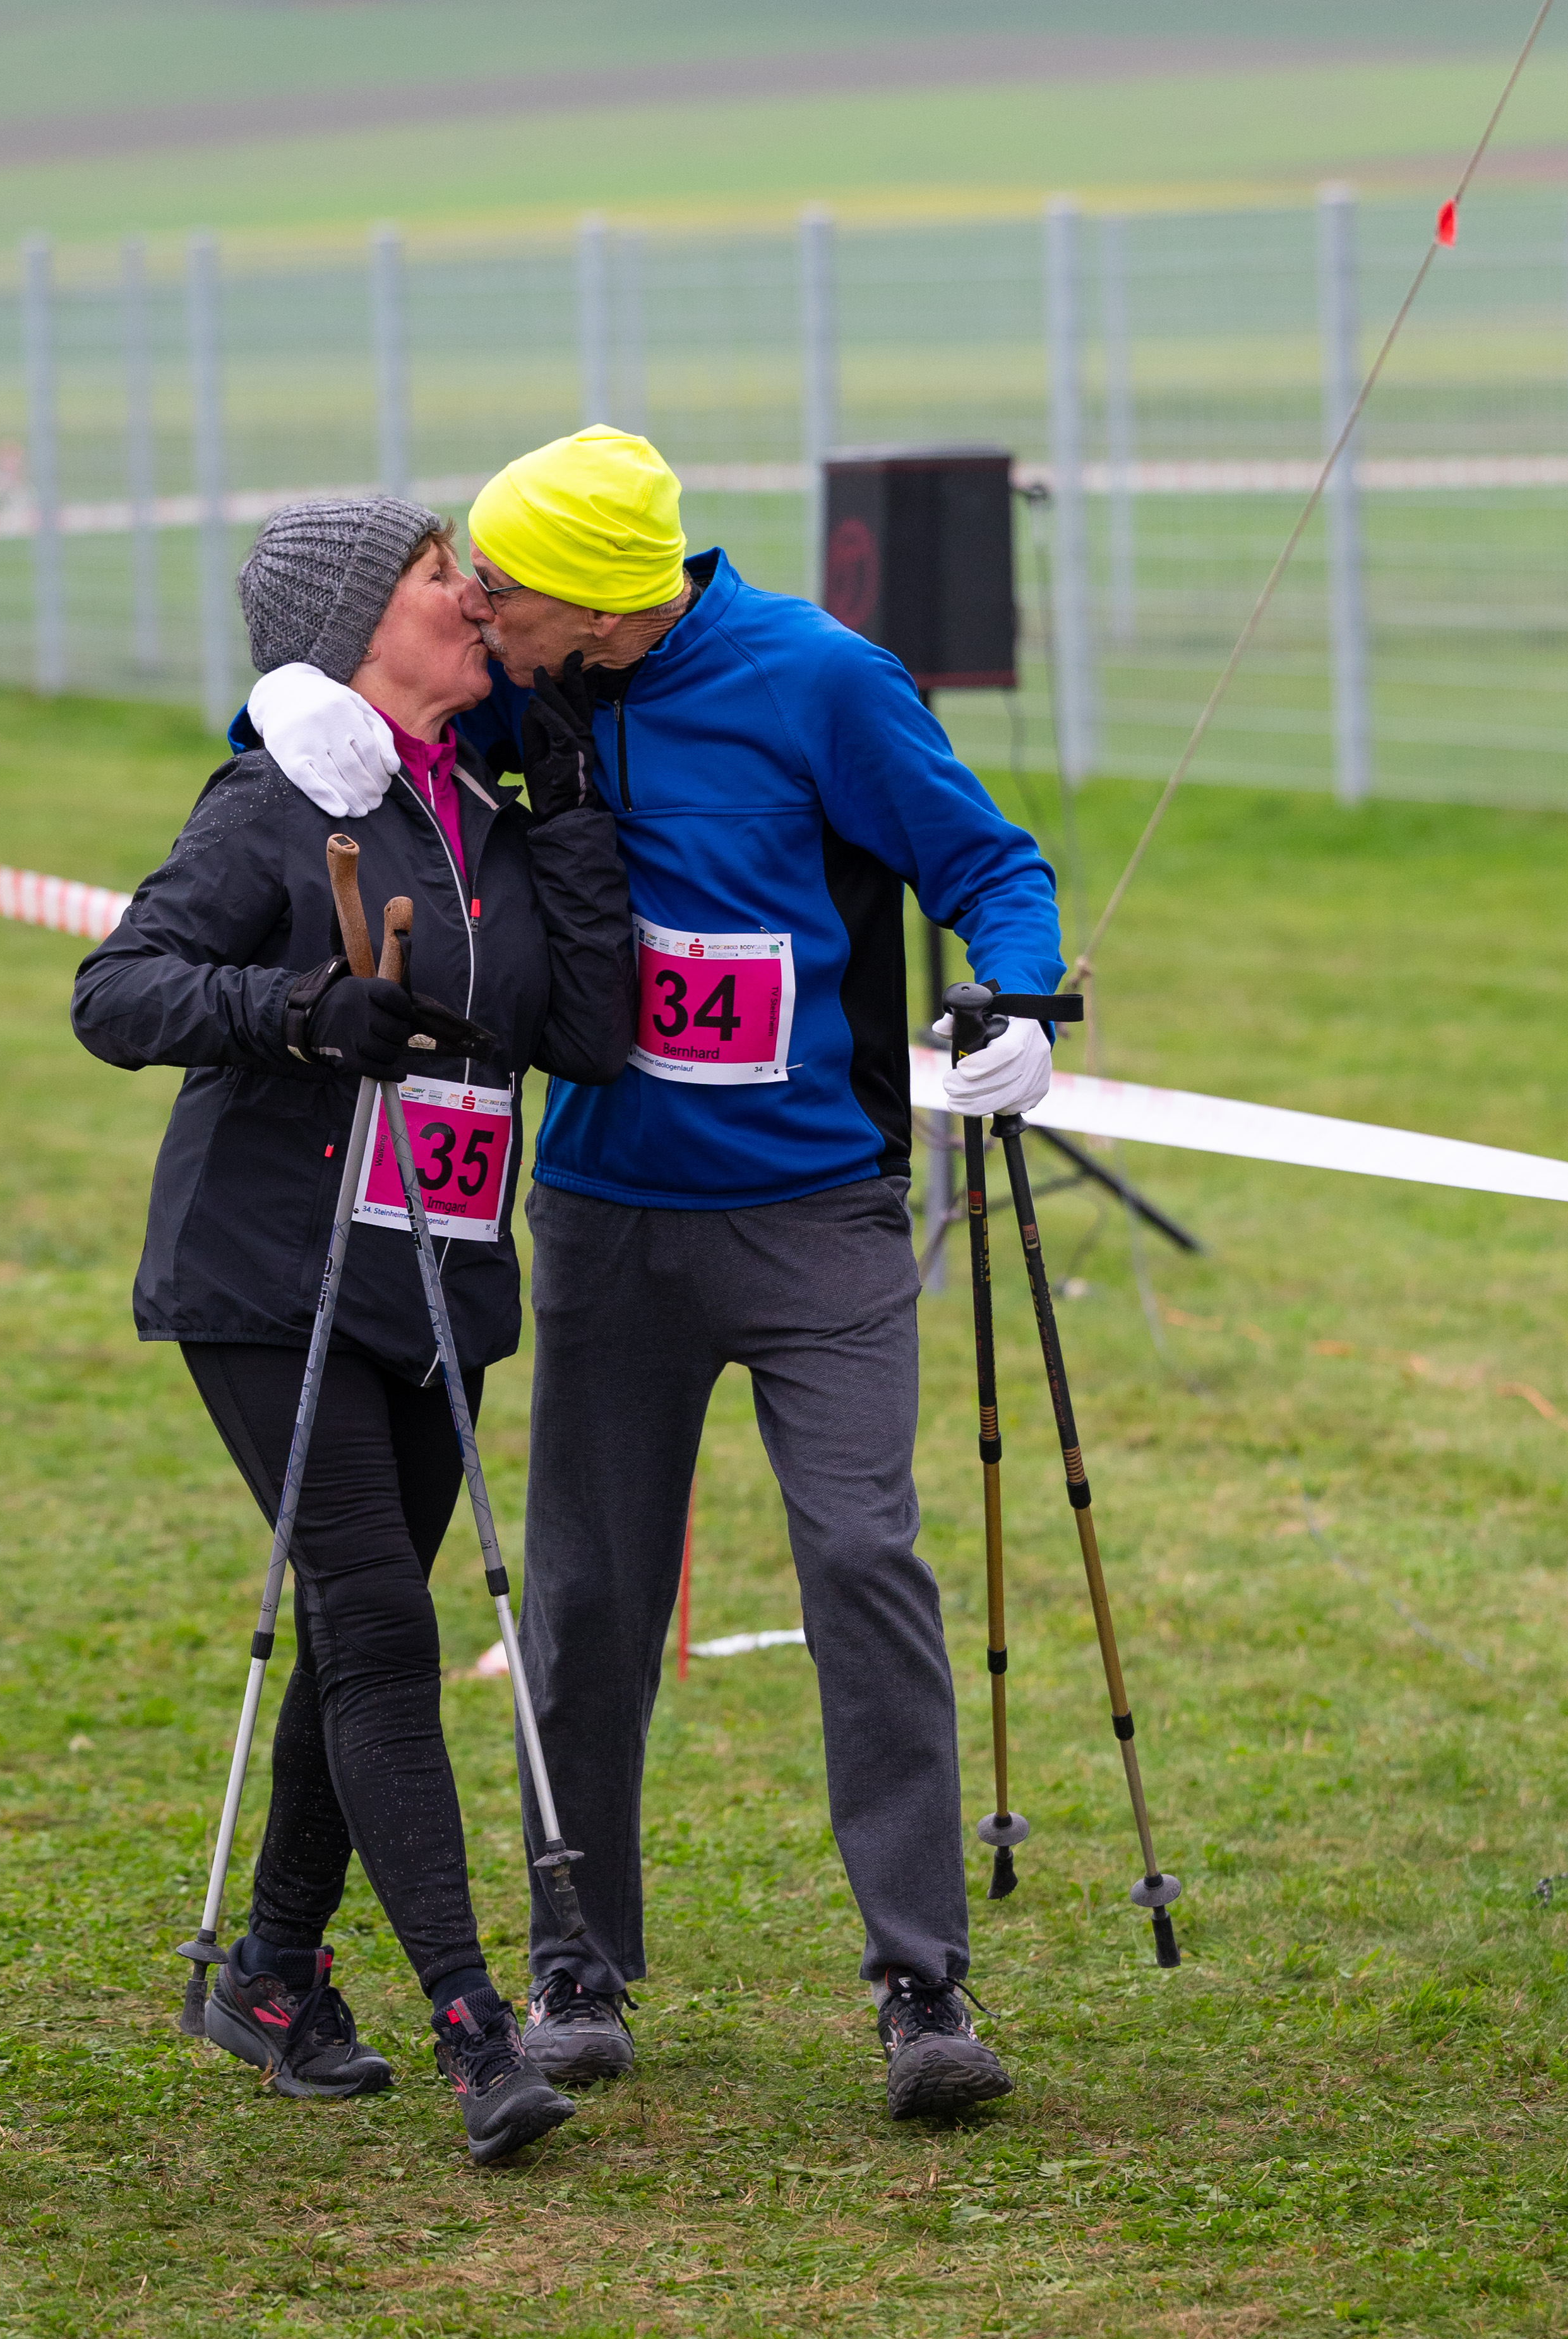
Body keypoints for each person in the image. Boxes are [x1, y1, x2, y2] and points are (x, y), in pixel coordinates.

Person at [244, 429, 1064, 2123]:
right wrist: (277, 712)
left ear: (605, 605)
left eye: (506, 588)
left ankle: (922, 1985)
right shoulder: (518, 688)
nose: (477, 609)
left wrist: (1021, 1001)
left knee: (863, 1561)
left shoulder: (823, 683)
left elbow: (990, 863)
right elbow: (339, 743)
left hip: (820, 1217)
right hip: (607, 1221)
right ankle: (577, 1965)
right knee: (588, 1599)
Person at [72, 495, 637, 2164]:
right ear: (353, 627)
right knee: (383, 1620)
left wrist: (570, 810)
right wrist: (309, 1012)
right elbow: (118, 993)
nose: (472, 596)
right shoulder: (276, 802)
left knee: (353, 1635)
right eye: (435, 575)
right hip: (274, 1275)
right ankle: (474, 2026)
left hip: (434, 1280)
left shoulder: (485, 815)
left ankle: (268, 1976)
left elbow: (587, 1032)